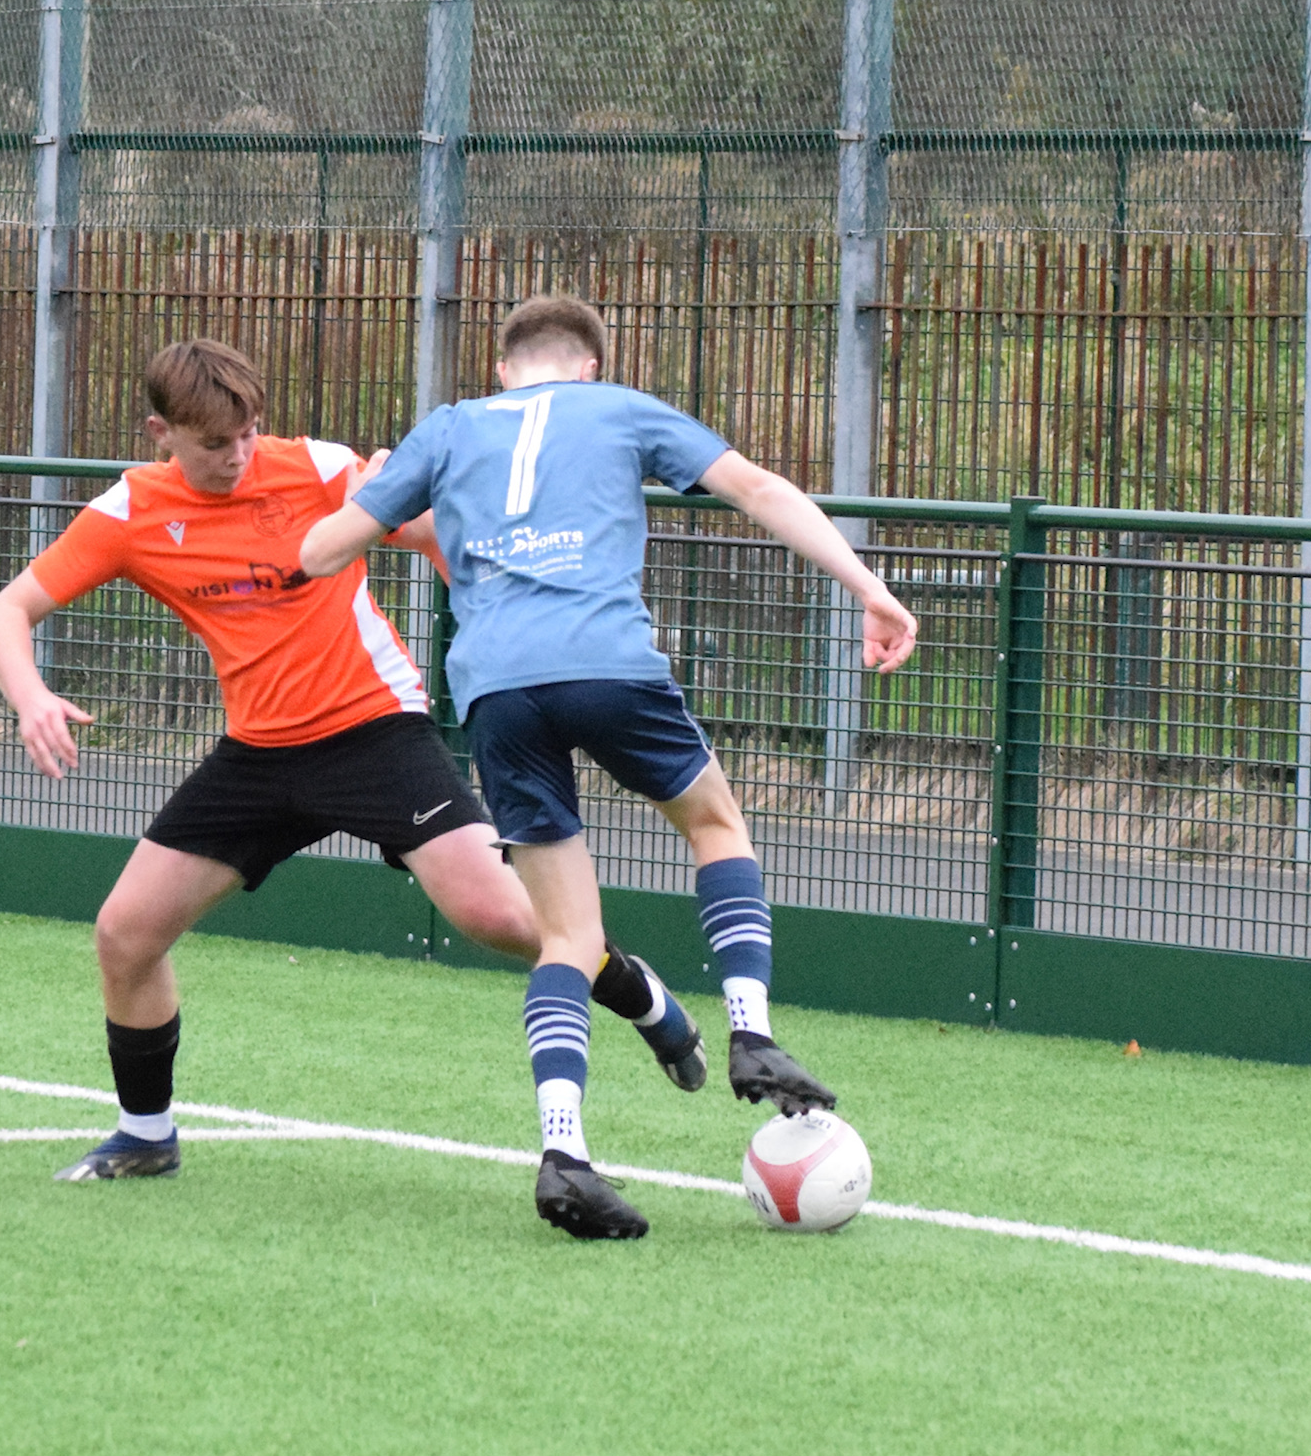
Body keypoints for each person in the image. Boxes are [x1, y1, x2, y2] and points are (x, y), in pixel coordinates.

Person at [0, 338, 703, 1185]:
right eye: (216, 442)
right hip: (257, 754)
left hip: (375, 733)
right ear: (161, 432)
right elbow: (11, 608)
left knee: (506, 920)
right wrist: (31, 696)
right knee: (125, 934)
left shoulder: (319, 470)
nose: (240, 455)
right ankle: (146, 1134)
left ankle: (640, 993)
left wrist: (499, 613)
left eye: (249, 433)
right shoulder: (132, 511)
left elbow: (439, 534)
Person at [300, 296, 919, 1240]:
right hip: (609, 663)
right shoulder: (621, 409)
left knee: (567, 934)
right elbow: (758, 487)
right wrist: (872, 592)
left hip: (497, 689)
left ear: (504, 369)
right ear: (589, 366)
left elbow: (319, 552)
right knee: (716, 826)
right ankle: (750, 1028)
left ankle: (565, 1154)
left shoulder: (450, 428)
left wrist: (385, 503)